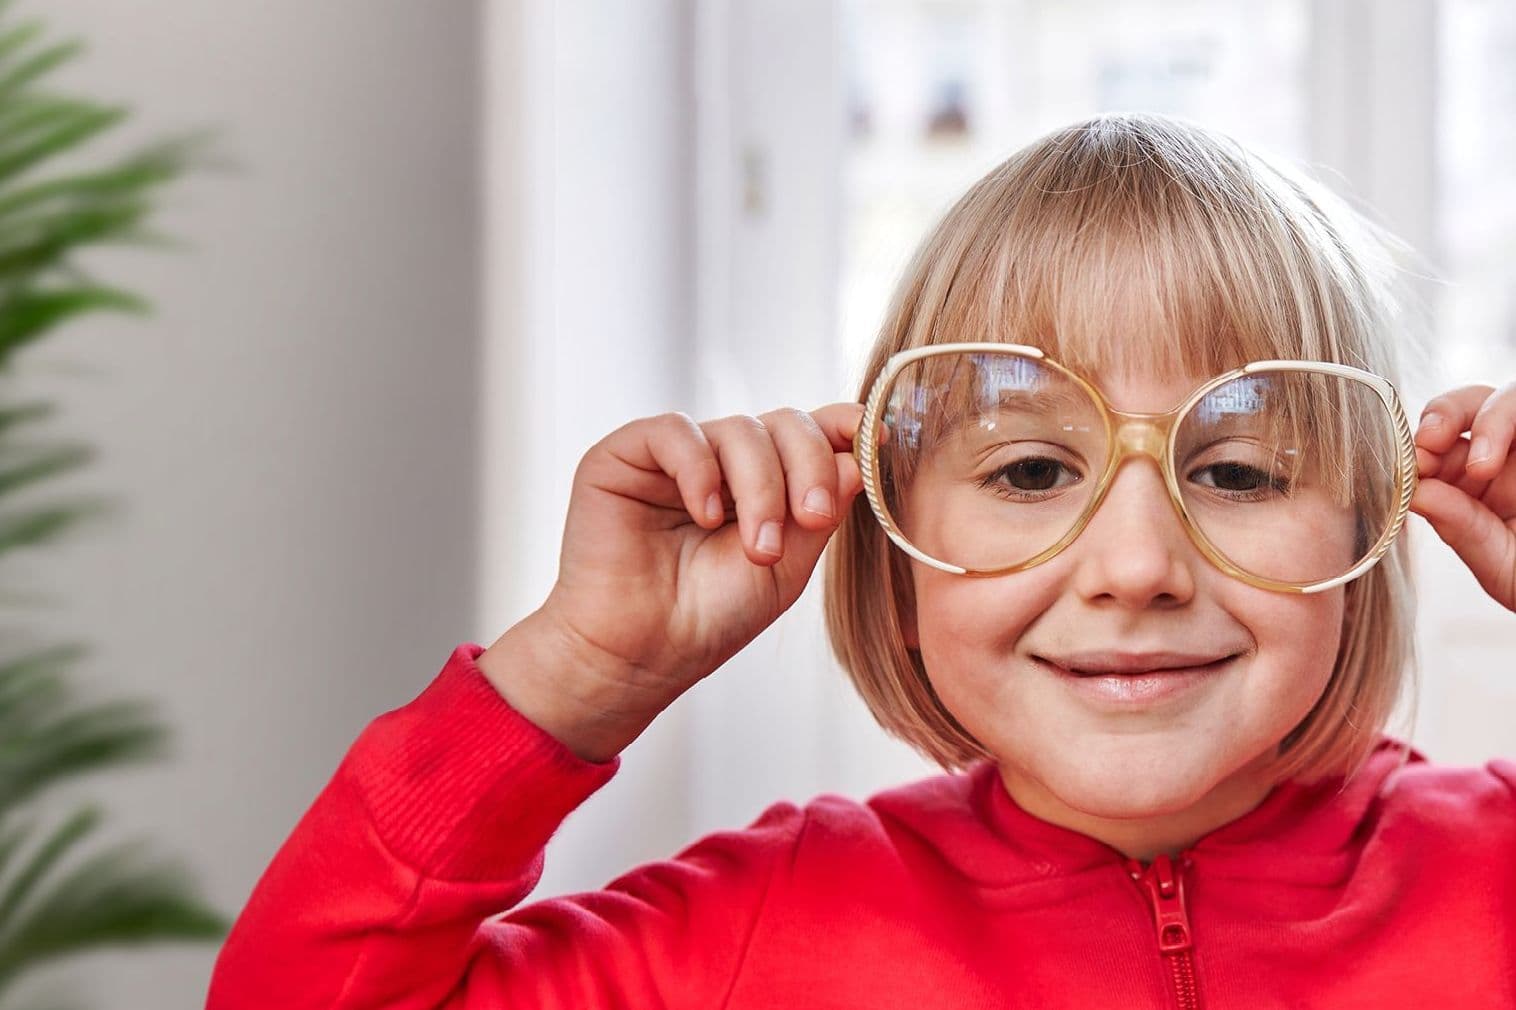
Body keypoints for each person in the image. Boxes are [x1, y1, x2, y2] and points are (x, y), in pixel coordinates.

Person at [204, 113, 1516, 1009]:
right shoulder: (763, 927)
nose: (1134, 564)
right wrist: (578, 676)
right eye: (1029, 471)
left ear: (1373, 526)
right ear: (895, 553)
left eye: (1236, 472)